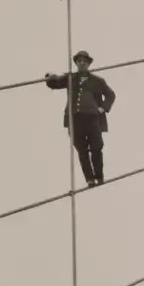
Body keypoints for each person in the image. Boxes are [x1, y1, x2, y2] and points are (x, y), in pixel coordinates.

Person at [44, 51, 116, 189]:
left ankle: (99, 176)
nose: (82, 63)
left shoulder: (98, 81)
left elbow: (111, 95)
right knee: (82, 151)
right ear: (76, 63)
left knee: (96, 147)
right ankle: (90, 179)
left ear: (88, 64)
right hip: (75, 121)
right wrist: (49, 78)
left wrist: (103, 108)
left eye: (84, 61)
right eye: (79, 61)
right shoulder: (70, 78)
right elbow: (55, 83)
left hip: (92, 119)